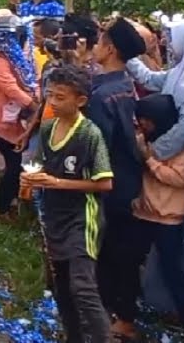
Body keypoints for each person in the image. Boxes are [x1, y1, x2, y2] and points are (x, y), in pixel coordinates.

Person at [21, 64, 113, 343]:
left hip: (82, 217)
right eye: (50, 95)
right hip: (54, 215)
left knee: (83, 287)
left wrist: (59, 183)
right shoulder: (48, 129)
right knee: (61, 285)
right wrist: (30, 180)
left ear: (80, 101)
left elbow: (104, 183)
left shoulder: (89, 134)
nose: (53, 103)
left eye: (61, 97)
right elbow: (39, 166)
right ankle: (73, 336)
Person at [114, 93, 184, 338]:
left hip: (167, 217)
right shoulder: (147, 138)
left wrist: (149, 161)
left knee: (172, 269)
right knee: (129, 262)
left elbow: (179, 178)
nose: (143, 124)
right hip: (143, 212)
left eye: (147, 120)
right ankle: (126, 316)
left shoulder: (177, 146)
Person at [81, 17, 149, 330]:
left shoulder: (101, 96)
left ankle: (115, 316)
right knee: (124, 251)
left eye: (98, 42)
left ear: (109, 49)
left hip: (108, 184)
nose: (94, 47)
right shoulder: (126, 87)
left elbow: (98, 146)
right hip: (129, 181)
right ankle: (123, 315)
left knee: (109, 252)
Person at [128, 13, 184, 165]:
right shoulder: (179, 72)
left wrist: (151, 152)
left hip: (178, 162)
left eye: (173, 38)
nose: (166, 42)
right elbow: (148, 78)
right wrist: (126, 53)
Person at [0, 15, 38, 219]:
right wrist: (33, 105)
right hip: (0, 122)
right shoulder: (0, 61)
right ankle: (2, 209)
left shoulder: (22, 61)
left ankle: (12, 203)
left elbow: (32, 83)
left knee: (17, 165)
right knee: (14, 166)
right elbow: (10, 87)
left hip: (16, 122)